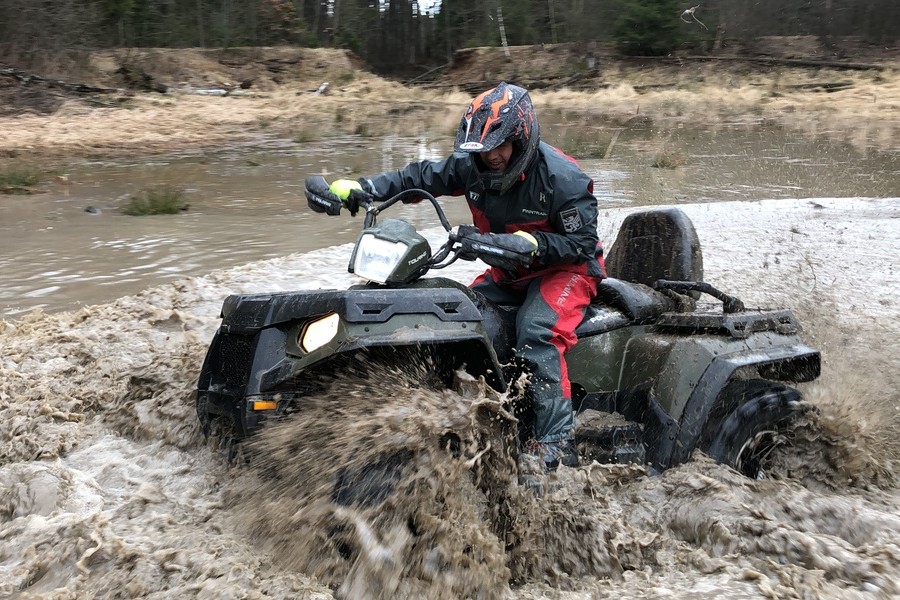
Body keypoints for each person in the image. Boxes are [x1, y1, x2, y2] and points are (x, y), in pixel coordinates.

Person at [316, 82, 606, 471]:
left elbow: (581, 244)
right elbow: (420, 178)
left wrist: (526, 244)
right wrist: (363, 188)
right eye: (483, 150)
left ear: (522, 140)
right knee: (460, 318)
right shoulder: (473, 166)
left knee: (537, 330)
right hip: (509, 273)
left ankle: (555, 441)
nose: (492, 157)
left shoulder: (563, 179)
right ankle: (469, 415)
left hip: (566, 271)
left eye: (500, 147)